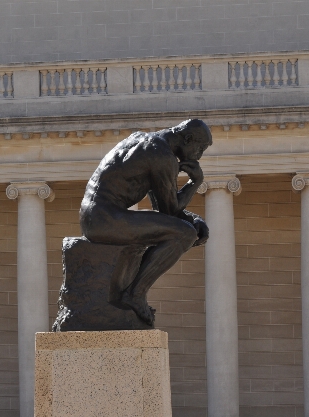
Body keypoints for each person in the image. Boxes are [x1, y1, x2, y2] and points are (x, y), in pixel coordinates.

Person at [80, 118, 212, 325]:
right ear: (187, 139)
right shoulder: (162, 155)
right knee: (184, 234)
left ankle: (132, 292)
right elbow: (170, 210)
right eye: (200, 148)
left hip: (96, 215)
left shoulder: (142, 140)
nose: (199, 156)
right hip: (105, 219)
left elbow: (162, 207)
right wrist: (195, 182)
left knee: (182, 229)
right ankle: (135, 293)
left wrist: (192, 218)